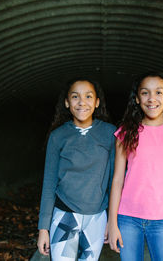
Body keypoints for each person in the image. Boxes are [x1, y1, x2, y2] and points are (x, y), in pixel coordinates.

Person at [108, 71, 163, 260]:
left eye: (158, 92)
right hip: (127, 219)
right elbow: (117, 180)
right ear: (137, 99)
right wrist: (112, 223)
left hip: (162, 221)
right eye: (145, 93)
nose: (152, 99)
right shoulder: (126, 133)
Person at [36, 78, 116, 261]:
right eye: (75, 97)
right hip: (65, 215)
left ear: (97, 102)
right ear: (66, 102)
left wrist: (112, 221)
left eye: (88, 96)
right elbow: (49, 184)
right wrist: (43, 229)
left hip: (96, 218)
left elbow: (114, 182)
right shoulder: (58, 136)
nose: (82, 102)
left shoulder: (110, 134)